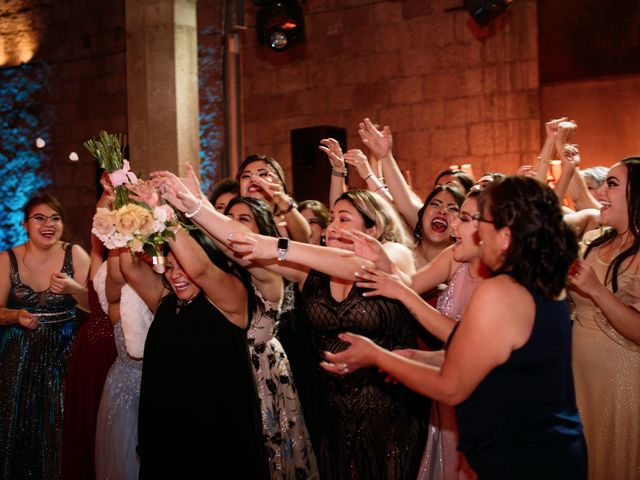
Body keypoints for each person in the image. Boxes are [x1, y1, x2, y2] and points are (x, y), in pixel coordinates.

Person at [322, 176, 587, 479]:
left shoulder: (499, 291)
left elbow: (451, 386)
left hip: (521, 457)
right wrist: (411, 356)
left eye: (480, 221)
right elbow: (487, 358)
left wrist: (375, 356)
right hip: (552, 449)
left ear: (506, 235)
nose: (473, 234)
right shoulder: (545, 283)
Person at [226, 188, 428, 480]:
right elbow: (244, 247)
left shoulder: (394, 255)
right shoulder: (313, 271)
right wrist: (194, 206)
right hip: (333, 411)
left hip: (390, 410)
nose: (332, 226)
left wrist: (279, 246)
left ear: (374, 228)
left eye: (344, 219)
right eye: (331, 218)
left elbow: (359, 266)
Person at [120, 221, 269, 478]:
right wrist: (124, 210)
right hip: (167, 440)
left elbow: (200, 271)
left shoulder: (231, 297)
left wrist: (165, 215)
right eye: (168, 268)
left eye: (182, 267)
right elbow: (129, 267)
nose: (175, 275)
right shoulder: (165, 302)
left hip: (216, 443)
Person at [0, 193, 90, 479]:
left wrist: (75, 289)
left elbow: (98, 306)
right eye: (40, 218)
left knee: (61, 424)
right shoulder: (7, 258)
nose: (48, 224)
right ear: (25, 224)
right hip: (19, 358)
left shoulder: (74, 254)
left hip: (65, 354)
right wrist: (15, 316)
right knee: (18, 426)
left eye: (55, 218)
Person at [569, 157, 640, 479]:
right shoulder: (594, 243)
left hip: (622, 384)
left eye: (612, 184)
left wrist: (597, 291)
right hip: (580, 379)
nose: (600, 191)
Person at [61, 181, 118, 480]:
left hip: (118, 352)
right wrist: (107, 192)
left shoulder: (144, 263)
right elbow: (97, 226)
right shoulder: (100, 257)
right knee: (90, 425)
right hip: (90, 351)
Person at [236, 154, 311, 242]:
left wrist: (282, 201)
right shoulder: (231, 220)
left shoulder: (286, 227)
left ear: (279, 182)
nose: (254, 179)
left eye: (263, 174)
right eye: (246, 176)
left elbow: (304, 239)